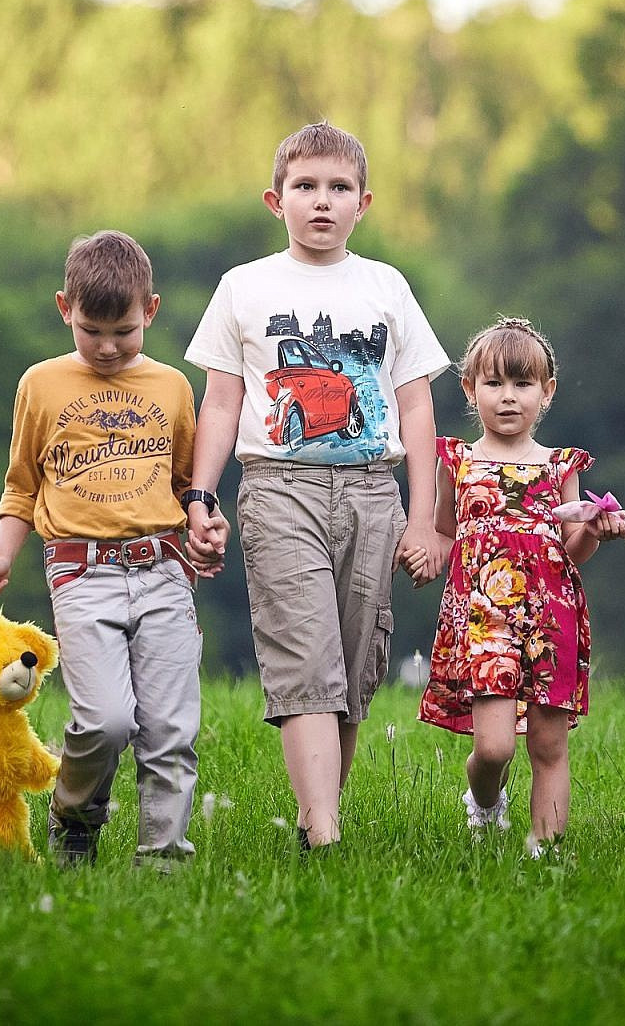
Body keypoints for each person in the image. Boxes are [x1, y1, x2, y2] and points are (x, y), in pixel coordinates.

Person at [185, 121, 449, 851]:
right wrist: (201, 495)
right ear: (277, 200)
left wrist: (425, 519)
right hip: (278, 487)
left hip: (372, 490)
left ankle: (318, 821)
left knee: (354, 665)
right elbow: (222, 399)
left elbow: (418, 401)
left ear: (364, 203)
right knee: (306, 655)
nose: (322, 202)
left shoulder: (386, 286)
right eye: (306, 187)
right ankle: (324, 828)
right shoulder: (244, 287)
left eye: (339, 189)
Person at [0, 231, 228, 869]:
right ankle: (75, 817)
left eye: (125, 331)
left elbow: (188, 486)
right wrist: (4, 554)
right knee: (107, 722)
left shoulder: (171, 387)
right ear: (65, 309)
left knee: (170, 729)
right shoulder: (42, 384)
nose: (108, 347)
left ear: (152, 311)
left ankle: (163, 860)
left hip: (163, 571)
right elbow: (22, 484)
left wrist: (206, 528)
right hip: (81, 575)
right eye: (92, 331)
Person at [418, 318, 623, 855]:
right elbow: (444, 531)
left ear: (546, 391)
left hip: (551, 617)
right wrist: (427, 554)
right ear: (470, 388)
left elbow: (570, 549)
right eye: (494, 384)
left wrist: (594, 534)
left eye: (523, 384)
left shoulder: (559, 468)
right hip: (486, 617)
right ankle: (485, 804)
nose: (508, 398)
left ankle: (545, 854)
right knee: (494, 747)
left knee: (550, 744)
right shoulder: (457, 463)